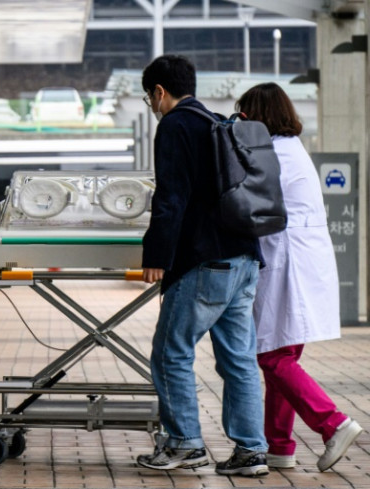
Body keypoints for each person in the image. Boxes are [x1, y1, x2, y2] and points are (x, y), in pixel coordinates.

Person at [136, 54, 269, 476]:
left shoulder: (175, 125)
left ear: (160, 91)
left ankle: (184, 442)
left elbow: (170, 198)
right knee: (239, 360)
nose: (152, 105)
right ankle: (251, 450)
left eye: (149, 97)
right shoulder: (217, 122)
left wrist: (156, 257)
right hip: (245, 257)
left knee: (170, 353)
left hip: (205, 262)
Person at [235, 82, 363, 472]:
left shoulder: (272, 153)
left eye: (244, 114)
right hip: (301, 260)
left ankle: (333, 423)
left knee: (273, 356)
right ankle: (280, 446)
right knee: (283, 352)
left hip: (288, 261)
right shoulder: (290, 149)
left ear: (257, 115)